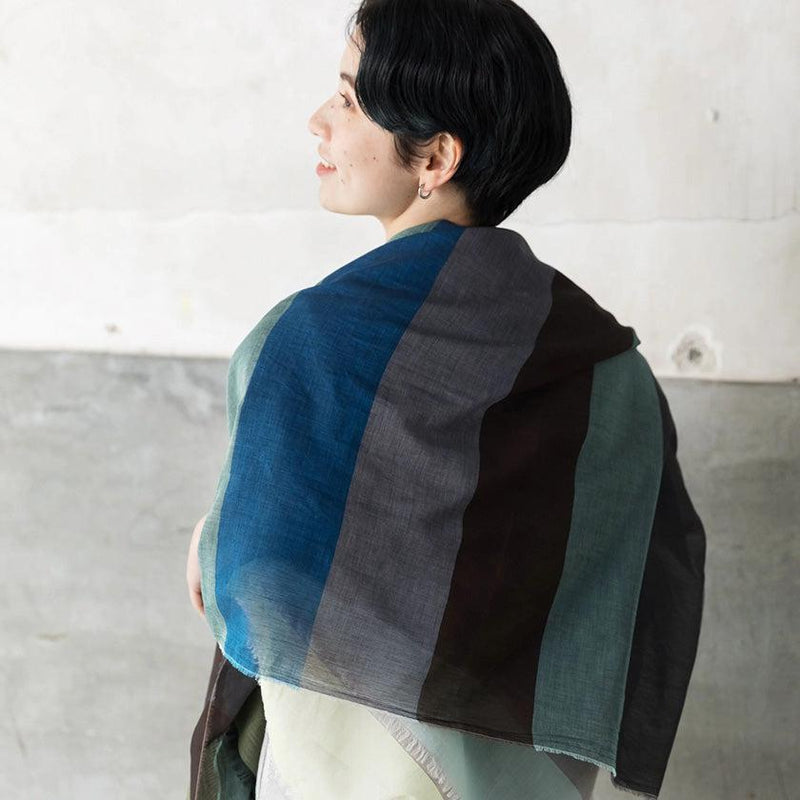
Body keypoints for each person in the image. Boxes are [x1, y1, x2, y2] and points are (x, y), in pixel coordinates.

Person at [186, 2, 705, 799]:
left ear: (434, 157)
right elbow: (637, 595)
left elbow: (257, 579)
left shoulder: (315, 339)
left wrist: (209, 540)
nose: (319, 120)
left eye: (349, 99)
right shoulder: (612, 368)